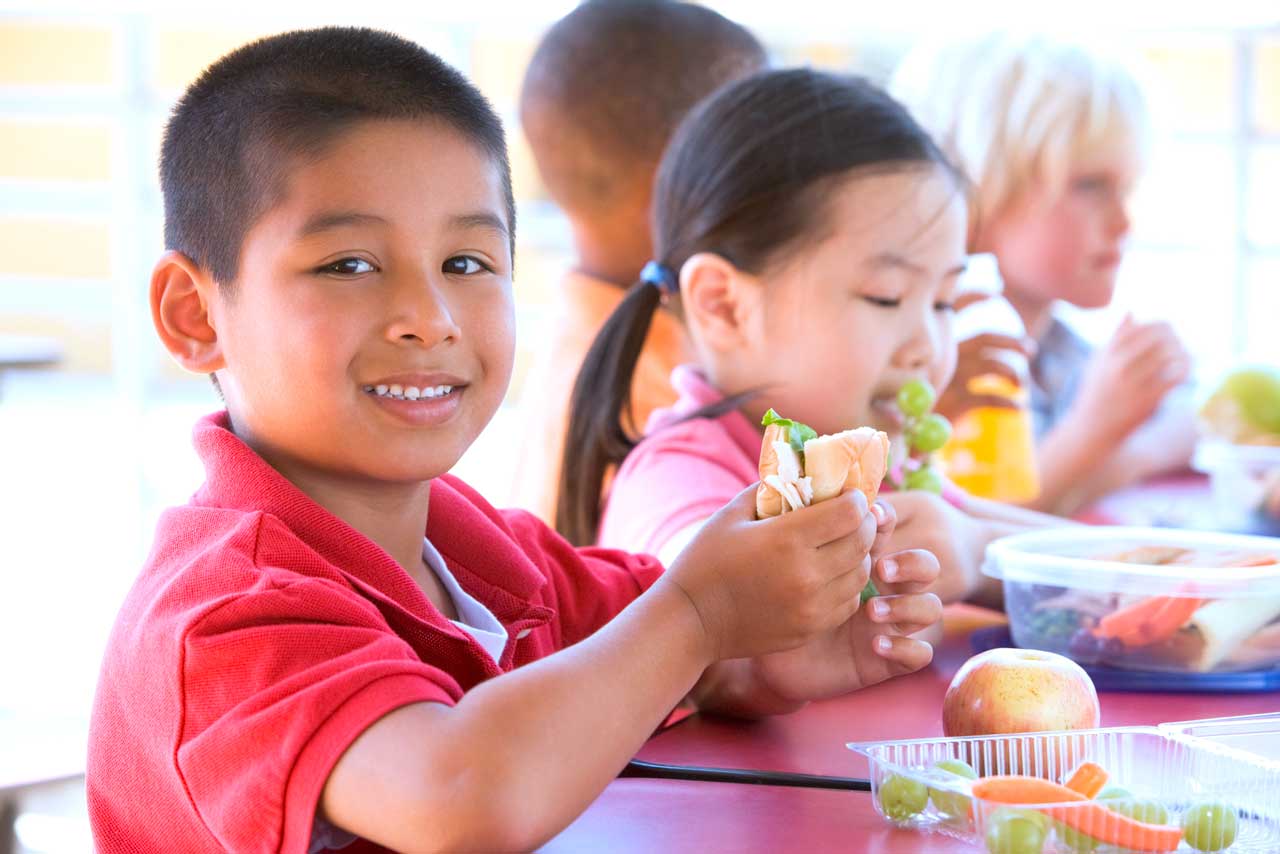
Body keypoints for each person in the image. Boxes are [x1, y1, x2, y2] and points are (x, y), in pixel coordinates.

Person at [86, 28, 942, 853]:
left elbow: (658, 651)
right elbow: (460, 795)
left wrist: (765, 654)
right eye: (349, 264)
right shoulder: (222, 615)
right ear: (196, 315)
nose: (429, 319)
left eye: (466, 263)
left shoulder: (480, 554)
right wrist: (699, 617)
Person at [560, 68, 1060, 609]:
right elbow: (701, 617)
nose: (928, 347)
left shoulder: (865, 463)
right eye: (886, 297)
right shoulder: (680, 478)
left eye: (942, 302)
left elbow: (1082, 559)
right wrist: (980, 552)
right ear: (723, 306)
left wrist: (977, 548)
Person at [890, 33, 1195, 515]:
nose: (1124, 223)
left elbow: (1188, 421)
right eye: (1091, 186)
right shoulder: (938, 361)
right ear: (976, 187)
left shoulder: (1059, 352)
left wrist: (1122, 451)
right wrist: (1094, 431)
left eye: (1127, 188)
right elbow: (959, 533)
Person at [509, 0, 767, 524]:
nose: (783, 182)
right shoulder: (659, 396)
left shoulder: (600, 341)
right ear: (677, 178)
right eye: (759, 158)